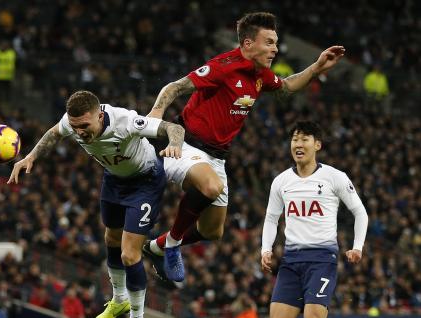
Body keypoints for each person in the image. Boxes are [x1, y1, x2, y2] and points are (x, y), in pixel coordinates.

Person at [143, 12, 346, 282]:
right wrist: (157, 111)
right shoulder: (224, 66)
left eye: (276, 43)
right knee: (211, 187)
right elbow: (176, 86)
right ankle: (172, 245)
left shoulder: (260, 73)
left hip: (217, 156)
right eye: (270, 42)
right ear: (248, 44)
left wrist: (316, 68)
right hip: (187, 144)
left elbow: (285, 88)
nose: (275, 49)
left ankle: (156, 246)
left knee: (212, 230)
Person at [8, 90, 185, 318]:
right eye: (75, 126)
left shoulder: (126, 121)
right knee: (110, 240)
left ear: (100, 116)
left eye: (85, 126)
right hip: (114, 181)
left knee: (128, 253)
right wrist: (31, 157)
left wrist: (174, 145)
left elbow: (174, 127)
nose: (79, 132)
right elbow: (54, 133)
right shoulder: (72, 122)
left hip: (145, 182)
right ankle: (119, 299)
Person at [261, 121, 367, 318]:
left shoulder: (334, 177)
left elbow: (360, 212)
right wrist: (266, 249)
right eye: (295, 139)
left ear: (317, 145)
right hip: (290, 260)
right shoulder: (281, 181)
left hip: (322, 259)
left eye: (305, 139)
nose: (298, 144)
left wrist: (357, 247)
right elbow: (270, 218)